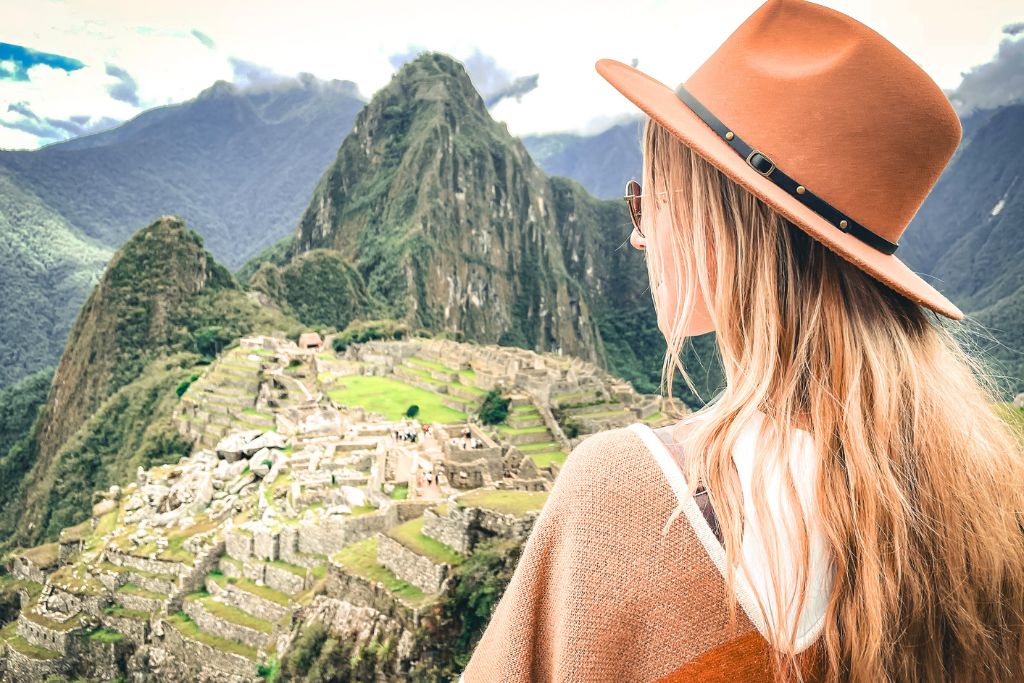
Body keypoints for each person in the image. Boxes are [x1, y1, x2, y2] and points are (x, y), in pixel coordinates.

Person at [459, 1, 1024, 682]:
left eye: (650, 202)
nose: (640, 236)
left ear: (711, 221)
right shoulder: (989, 510)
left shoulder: (622, 497)